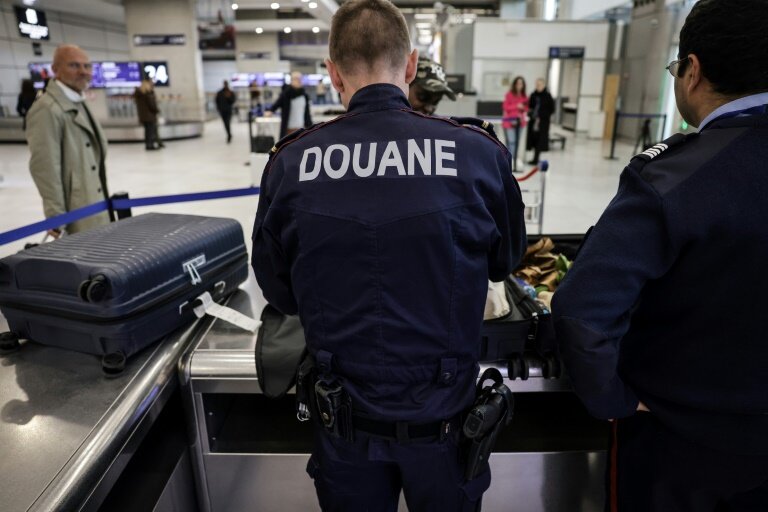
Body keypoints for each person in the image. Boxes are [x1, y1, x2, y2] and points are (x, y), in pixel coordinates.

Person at [251, 0, 526, 509]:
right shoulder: (476, 154)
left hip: (344, 426)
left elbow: (278, 291)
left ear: (332, 73)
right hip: (448, 425)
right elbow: (504, 262)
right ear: (411, 64)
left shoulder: (291, 163)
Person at [552, 1, 768, 510]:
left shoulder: (674, 178)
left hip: (680, 447)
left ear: (692, 71)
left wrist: (615, 399)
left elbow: (582, 311)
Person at [25, 44, 111, 237]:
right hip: (76, 211)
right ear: (55, 69)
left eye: (87, 66)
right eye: (74, 66)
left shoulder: (78, 101)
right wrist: (57, 218)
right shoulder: (47, 109)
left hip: (93, 201)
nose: (83, 72)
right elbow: (45, 168)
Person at [265, 71, 312, 138]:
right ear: (292, 80)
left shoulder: (304, 95)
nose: (300, 81)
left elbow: (307, 113)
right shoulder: (286, 94)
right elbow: (277, 104)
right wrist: (270, 111)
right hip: (288, 129)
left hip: (301, 129)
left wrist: (310, 128)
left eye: (300, 79)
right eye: (297, 79)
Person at [525, 78, 554, 165]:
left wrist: (541, 115)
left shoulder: (548, 96)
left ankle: (536, 158)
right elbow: (529, 107)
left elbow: (552, 109)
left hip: (543, 123)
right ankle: (534, 158)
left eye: (540, 85)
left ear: (544, 85)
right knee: (533, 139)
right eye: (537, 85)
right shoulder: (533, 95)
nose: (538, 86)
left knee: (540, 140)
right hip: (533, 122)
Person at [502, 76, 527, 165]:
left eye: (521, 84)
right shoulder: (509, 95)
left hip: (521, 123)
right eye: (518, 83)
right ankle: (509, 162)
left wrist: (523, 108)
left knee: (516, 143)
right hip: (509, 123)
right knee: (511, 142)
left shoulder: (524, 96)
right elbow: (506, 107)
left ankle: (513, 161)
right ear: (515, 84)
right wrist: (516, 106)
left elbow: (526, 108)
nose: (519, 85)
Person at [134, 78, 164, 150]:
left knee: (147, 131)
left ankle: (148, 144)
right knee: (151, 131)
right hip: (150, 115)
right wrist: (157, 110)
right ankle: (151, 145)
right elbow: (152, 105)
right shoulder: (148, 94)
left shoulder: (139, 94)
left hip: (143, 116)